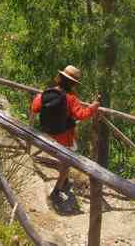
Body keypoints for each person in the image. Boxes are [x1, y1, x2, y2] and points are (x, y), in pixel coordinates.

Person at [30, 65, 100, 206]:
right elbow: (81, 114)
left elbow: (35, 108)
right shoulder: (71, 98)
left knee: (62, 160)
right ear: (73, 84)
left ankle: (64, 180)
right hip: (65, 136)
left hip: (49, 133)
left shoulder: (47, 92)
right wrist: (94, 105)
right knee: (66, 163)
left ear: (59, 78)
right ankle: (57, 190)